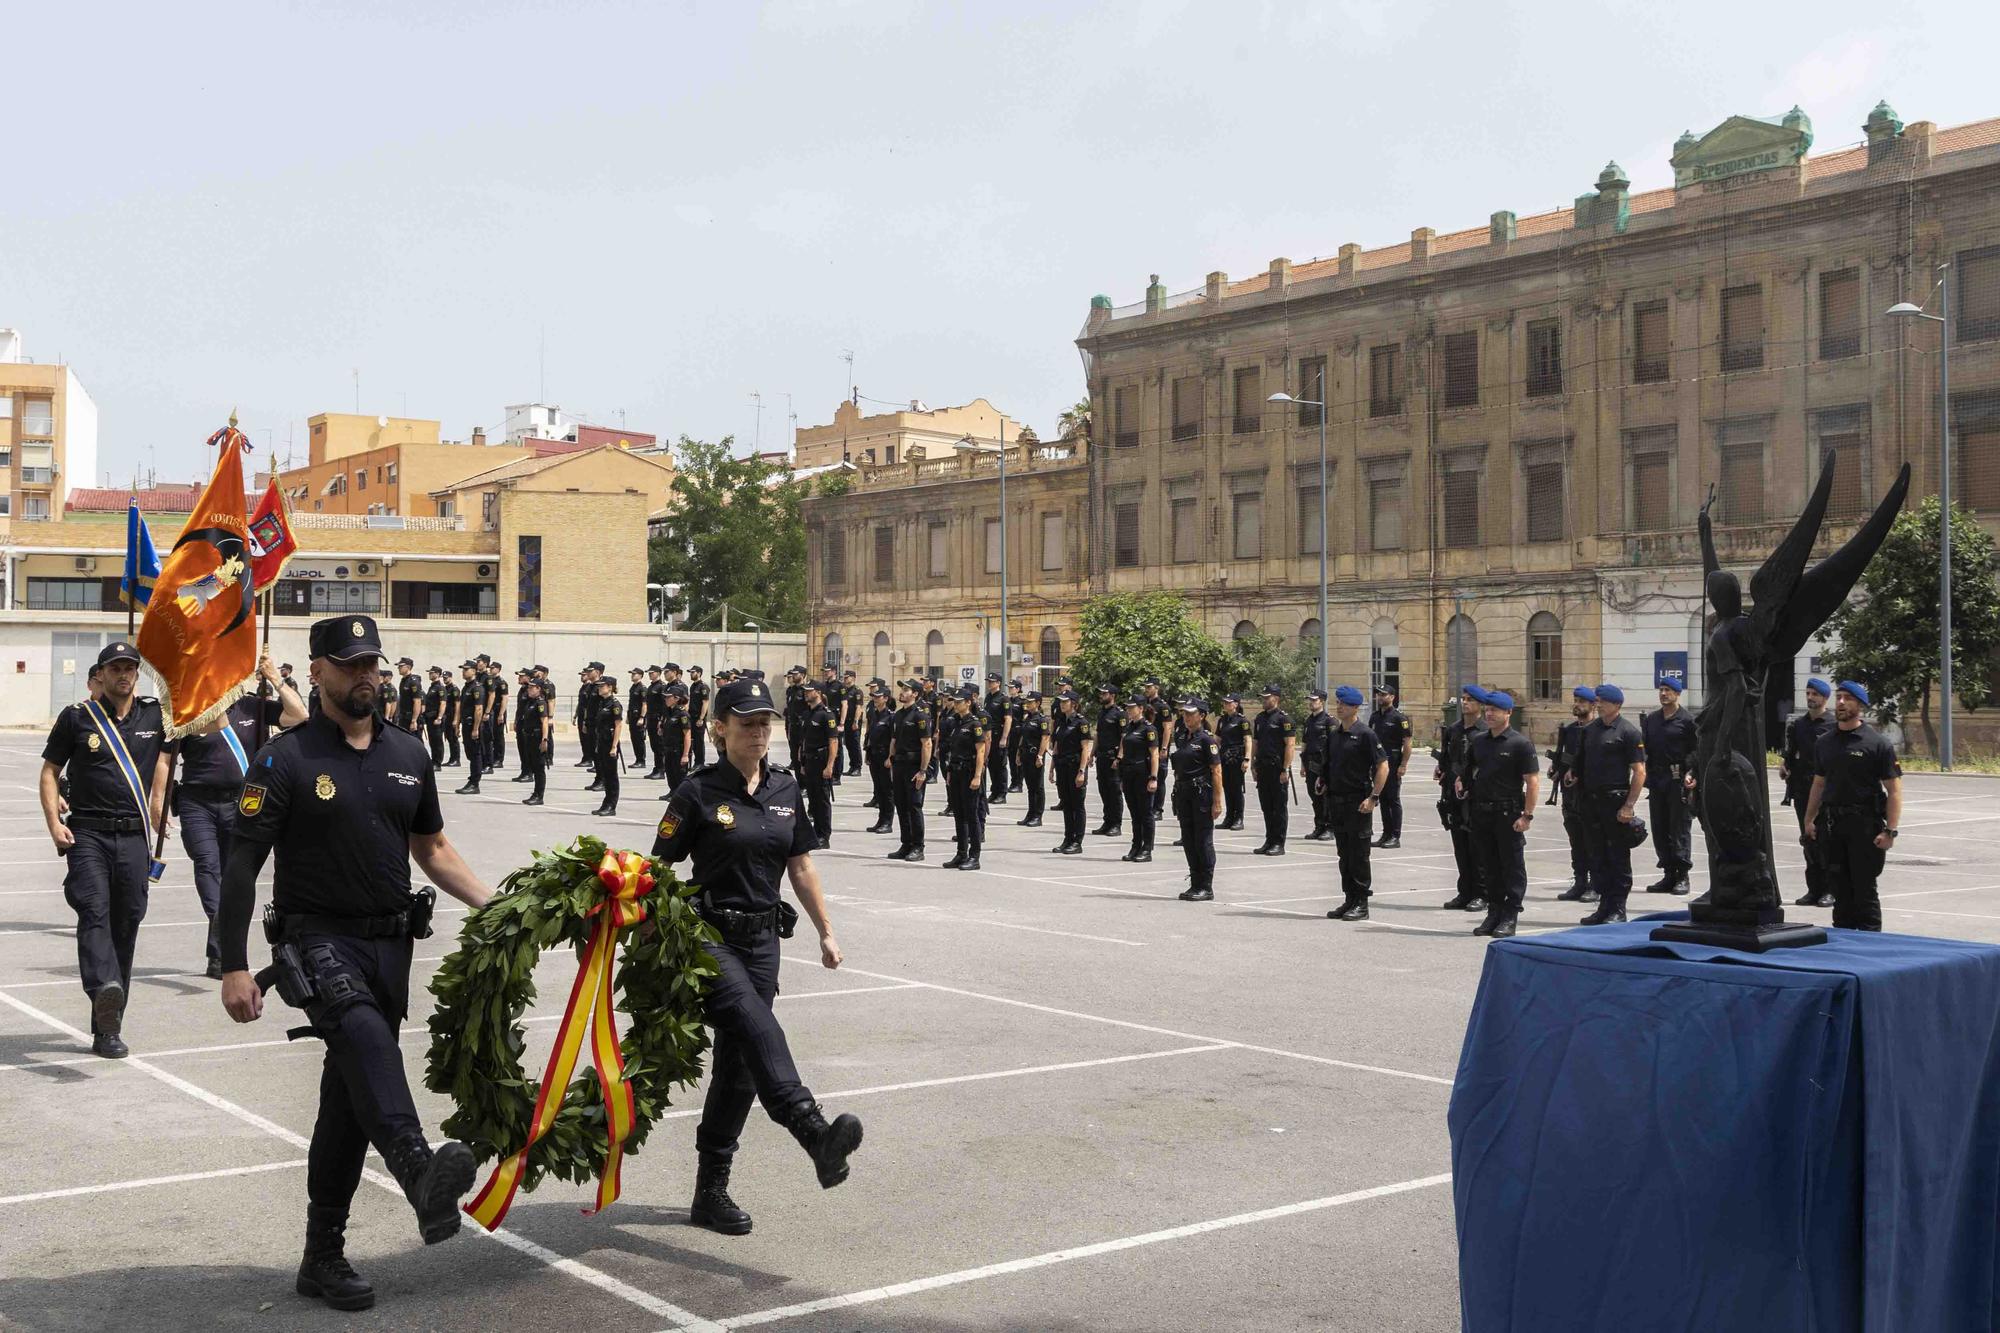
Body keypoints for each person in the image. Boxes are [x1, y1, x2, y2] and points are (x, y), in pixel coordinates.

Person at [215, 614, 492, 1312]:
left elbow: (431, 847)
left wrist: (493, 903)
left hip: (389, 947)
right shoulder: (285, 758)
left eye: (372, 662)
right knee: (365, 1037)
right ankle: (419, 1169)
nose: (366, 675)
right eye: (349, 664)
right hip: (317, 942)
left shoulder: (410, 752)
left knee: (347, 1100)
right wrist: (233, 964)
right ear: (316, 672)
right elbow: (242, 865)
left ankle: (322, 1256)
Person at [650, 673, 863, 1236]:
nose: (759, 732)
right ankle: (812, 1129)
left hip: (764, 940)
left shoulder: (786, 790)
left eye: (765, 723)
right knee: (756, 1022)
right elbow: (657, 869)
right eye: (747, 723)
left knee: (740, 1066)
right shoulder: (696, 791)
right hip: (707, 937)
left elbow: (801, 865)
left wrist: (826, 930)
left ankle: (709, 1194)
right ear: (719, 729)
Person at [38, 640, 169, 1058]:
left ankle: (107, 1028)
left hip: (133, 837)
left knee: (126, 925)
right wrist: (54, 823)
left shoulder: (155, 714)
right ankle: (102, 986)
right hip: (88, 835)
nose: (124, 674)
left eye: (130, 667)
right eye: (115, 668)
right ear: (101, 674)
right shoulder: (77, 718)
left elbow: (208, 722)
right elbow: (49, 772)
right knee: (94, 910)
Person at [174, 654, 308, 978]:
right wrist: (156, 804)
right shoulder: (193, 711)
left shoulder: (254, 706)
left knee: (232, 875)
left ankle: (218, 956)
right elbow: (165, 760)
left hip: (241, 803)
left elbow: (301, 716)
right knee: (207, 865)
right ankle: (220, 916)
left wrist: (277, 680)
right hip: (197, 802)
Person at [1802, 680, 1903, 932]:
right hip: (1833, 826)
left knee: (1864, 890)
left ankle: (1870, 948)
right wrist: (1809, 819)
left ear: (1860, 705)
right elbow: (1818, 784)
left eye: (1848, 698)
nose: (1841, 702)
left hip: (1864, 827)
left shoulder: (1877, 744)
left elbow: (1894, 791)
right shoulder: (1824, 742)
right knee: (1839, 890)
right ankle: (1843, 944)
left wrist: (1890, 831)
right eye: (1839, 697)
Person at [1457, 690, 1539, 938]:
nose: (1490, 714)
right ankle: (1493, 912)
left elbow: (1532, 782)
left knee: (1511, 867)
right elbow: (1469, 770)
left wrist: (1527, 815)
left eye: (1496, 710)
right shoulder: (1480, 741)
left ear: (1509, 713)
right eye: (1488, 710)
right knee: (1489, 866)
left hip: (1509, 814)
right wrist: (1462, 784)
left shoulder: (1520, 744)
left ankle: (1510, 915)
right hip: (1483, 813)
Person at [1574, 683, 1646, 926]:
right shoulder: (1590, 730)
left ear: (1616, 704)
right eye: (1597, 700)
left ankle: (1618, 908)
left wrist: (1629, 806)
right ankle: (1603, 906)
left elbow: (1639, 772)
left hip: (1615, 803)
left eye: (1603, 700)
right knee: (1597, 855)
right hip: (1591, 802)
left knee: (1617, 857)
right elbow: (1580, 764)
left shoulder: (1628, 732)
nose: (1598, 704)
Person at [1319, 686, 1390, 922]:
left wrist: (1374, 797)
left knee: (1359, 854)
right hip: (1337, 801)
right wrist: (1323, 780)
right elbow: (1329, 765)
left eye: (1344, 704)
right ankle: (1349, 898)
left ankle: (1361, 902)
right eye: (1338, 703)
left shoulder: (1366, 734)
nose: (1339, 707)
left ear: (1355, 708)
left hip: (1358, 802)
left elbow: (1382, 766)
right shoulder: (1335, 734)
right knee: (1344, 854)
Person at [1640, 675, 1698, 896]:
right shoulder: (1652, 720)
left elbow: (1696, 749)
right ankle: (1668, 873)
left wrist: (1692, 771)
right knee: (1660, 827)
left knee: (1679, 828)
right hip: (1657, 779)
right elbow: (1645, 749)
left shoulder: (1687, 721)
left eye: (1668, 690)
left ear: (1677, 693)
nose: (1663, 694)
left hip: (1678, 779)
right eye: (1661, 690)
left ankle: (1682, 875)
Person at [1781, 678, 1836, 908]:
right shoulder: (1799, 725)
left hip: (1825, 793)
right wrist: (1785, 766)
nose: (1811, 697)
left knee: (1825, 841)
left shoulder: (1832, 725)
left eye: (1815, 694)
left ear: (1824, 698)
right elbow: (1790, 753)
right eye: (1808, 693)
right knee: (1808, 840)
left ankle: (1830, 890)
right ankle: (1813, 889)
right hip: (1802, 790)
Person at [1438, 685, 1487, 913]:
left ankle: (1481, 892)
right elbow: (1447, 758)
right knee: (1460, 845)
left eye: (1470, 700)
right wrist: (1442, 771)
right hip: (1452, 794)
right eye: (1463, 699)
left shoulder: (1484, 731)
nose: (1464, 703)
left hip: (1474, 795)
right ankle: (1465, 890)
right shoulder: (1454, 729)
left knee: (1477, 846)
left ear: (1480, 705)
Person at [1171, 699, 1224, 901]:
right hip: (1184, 793)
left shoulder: (1206, 740)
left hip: (1201, 794)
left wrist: (1217, 801)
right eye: (1184, 713)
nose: (1186, 717)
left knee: (1203, 841)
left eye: (1190, 713)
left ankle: (1206, 886)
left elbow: (1217, 771)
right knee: (1189, 839)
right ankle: (1195, 883)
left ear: (1201, 716)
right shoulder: (1183, 737)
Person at [1552, 686, 1598, 903]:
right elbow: (1564, 757)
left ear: (1592, 705)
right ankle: (1580, 881)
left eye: (1582, 701)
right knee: (1576, 840)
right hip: (1570, 793)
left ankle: (1595, 884)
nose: (1577, 704)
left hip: (1590, 794)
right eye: (1576, 700)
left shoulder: (1598, 730)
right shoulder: (1570, 731)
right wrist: (1556, 771)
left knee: (1593, 841)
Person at [943, 685, 989, 870]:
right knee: (959, 815)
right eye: (954, 701)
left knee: (972, 816)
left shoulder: (975, 724)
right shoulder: (955, 722)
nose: (955, 704)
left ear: (968, 703)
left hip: (970, 772)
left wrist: (978, 776)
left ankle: (974, 856)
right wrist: (949, 772)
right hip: (956, 772)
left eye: (959, 701)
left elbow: (981, 751)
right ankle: (961, 853)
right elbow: (953, 750)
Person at [887, 679, 933, 861]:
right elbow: (894, 741)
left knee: (914, 806)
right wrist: (891, 761)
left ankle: (918, 847)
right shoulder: (898, 715)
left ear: (915, 693)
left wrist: (923, 771)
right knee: (901, 806)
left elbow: (927, 744)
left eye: (906, 690)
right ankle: (906, 843)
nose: (903, 692)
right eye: (902, 689)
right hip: (899, 765)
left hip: (914, 766)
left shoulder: (920, 716)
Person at [1250, 685, 1295, 855]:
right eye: (1263, 697)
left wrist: (1285, 769)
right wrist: (1253, 765)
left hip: (1277, 769)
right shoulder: (1260, 718)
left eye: (1267, 697)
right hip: (1263, 767)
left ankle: (1279, 843)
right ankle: (1269, 840)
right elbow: (1256, 743)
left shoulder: (1285, 719)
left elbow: (1290, 745)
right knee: (1266, 806)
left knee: (1279, 807)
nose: (1264, 700)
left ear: (1276, 698)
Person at [1368, 684, 1413, 849]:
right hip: (1377, 763)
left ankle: (1395, 835)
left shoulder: (1399, 718)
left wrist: (1403, 764)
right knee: (1382, 798)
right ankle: (1386, 834)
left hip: (1393, 762)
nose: (1380, 697)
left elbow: (1407, 743)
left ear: (1392, 697)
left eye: (1384, 695)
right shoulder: (1374, 717)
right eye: (1378, 694)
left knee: (1393, 799)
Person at [1049, 689, 1093, 855]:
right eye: (1060, 702)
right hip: (1062, 765)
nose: (1061, 704)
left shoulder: (1081, 722)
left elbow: (1085, 749)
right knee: (1066, 804)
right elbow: (1057, 746)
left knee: (1077, 805)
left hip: (1075, 767)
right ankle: (1067, 839)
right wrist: (1052, 767)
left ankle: (1077, 841)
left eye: (1065, 702)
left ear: (1073, 704)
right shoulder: (1061, 721)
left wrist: (1082, 771)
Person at [1116, 697, 1160, 864]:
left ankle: (1147, 848)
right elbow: (1124, 751)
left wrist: (1153, 777)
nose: (1128, 710)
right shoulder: (1129, 727)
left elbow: (1154, 754)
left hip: (1143, 774)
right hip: (1129, 774)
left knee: (1146, 813)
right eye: (1127, 707)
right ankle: (1136, 846)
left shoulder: (1148, 728)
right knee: (1135, 813)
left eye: (1132, 707)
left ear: (1141, 708)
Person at [796, 680, 837, 848]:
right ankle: (815, 831)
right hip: (810, 760)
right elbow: (804, 740)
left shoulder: (827, 715)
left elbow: (833, 742)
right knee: (813, 799)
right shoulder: (808, 714)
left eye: (809, 691)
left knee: (822, 800)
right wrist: (802, 762)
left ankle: (824, 835)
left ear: (818, 693)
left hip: (821, 762)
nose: (806, 693)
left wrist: (830, 766)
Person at [1300, 689, 1333, 841]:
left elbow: (1334, 745)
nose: (1311, 703)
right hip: (1310, 762)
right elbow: (1305, 743)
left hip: (1323, 763)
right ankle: (1319, 826)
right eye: (1310, 700)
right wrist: (1302, 765)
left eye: (1314, 700)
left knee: (1325, 796)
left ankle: (1329, 827)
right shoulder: (1309, 721)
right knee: (1314, 796)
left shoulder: (1329, 721)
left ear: (1322, 701)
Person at [1092, 684, 1124, 838]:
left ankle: (1116, 824)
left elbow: (1124, 737)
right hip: (1102, 756)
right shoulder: (1102, 713)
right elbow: (1098, 734)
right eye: (1101, 693)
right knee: (1104, 790)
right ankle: (1107, 822)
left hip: (1113, 757)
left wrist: (1119, 757)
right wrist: (1092, 753)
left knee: (1114, 792)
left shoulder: (1119, 714)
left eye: (1104, 694)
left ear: (1112, 695)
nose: (1101, 696)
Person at [590, 676, 625, 817]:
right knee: (605, 774)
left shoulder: (614, 705)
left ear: (610, 687)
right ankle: (606, 803)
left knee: (611, 776)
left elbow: (618, 725)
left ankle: (611, 805)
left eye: (602, 686)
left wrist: (614, 746)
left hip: (610, 743)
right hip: (602, 742)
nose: (599, 688)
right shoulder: (603, 703)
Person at [864, 685, 896, 834]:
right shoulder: (873, 714)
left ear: (886, 699)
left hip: (885, 756)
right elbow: (869, 734)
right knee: (879, 789)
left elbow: (893, 739)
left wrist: (890, 757)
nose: (875, 699)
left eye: (878, 697)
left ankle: (887, 822)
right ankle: (880, 820)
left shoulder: (891, 716)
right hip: (874, 754)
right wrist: (867, 752)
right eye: (874, 696)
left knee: (887, 790)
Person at [515, 673, 550, 806]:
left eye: (532, 687)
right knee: (534, 766)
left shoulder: (540, 703)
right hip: (528, 736)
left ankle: (539, 795)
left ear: (539, 689)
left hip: (537, 737)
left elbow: (544, 722)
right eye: (529, 687)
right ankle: (535, 793)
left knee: (539, 768)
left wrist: (545, 739)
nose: (529, 689)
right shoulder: (530, 702)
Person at [1215, 694, 1249, 831]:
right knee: (1227, 788)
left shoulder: (1242, 720)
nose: (1226, 705)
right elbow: (1217, 739)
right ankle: (1229, 817)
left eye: (1229, 702)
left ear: (1236, 704)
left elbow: (1248, 740)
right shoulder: (1222, 720)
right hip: (1224, 757)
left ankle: (1239, 818)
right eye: (1225, 702)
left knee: (1236, 789)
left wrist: (1247, 759)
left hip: (1236, 758)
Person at [1015, 691, 1048, 827]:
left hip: (1036, 756)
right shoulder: (1027, 718)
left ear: (1038, 703)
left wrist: (1040, 755)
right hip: (1026, 755)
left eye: (1030, 702)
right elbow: (1023, 736)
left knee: (1038, 787)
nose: (1027, 704)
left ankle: (1037, 816)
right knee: (1030, 787)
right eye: (1027, 702)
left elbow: (1045, 738)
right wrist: (1018, 752)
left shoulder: (1042, 719)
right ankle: (1030, 813)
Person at [452, 663, 485, 795]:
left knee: (475, 754)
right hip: (466, 723)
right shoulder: (466, 687)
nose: (463, 672)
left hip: (473, 725)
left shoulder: (477, 688)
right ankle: (472, 780)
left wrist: (476, 728)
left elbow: (478, 709)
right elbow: (460, 707)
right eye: (463, 670)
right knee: (470, 753)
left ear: (474, 671)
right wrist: (458, 724)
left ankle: (474, 783)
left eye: (466, 670)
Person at [982, 673, 1012, 805]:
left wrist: (1004, 738)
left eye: (992, 681)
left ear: (998, 683)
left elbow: (1008, 719)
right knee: (991, 765)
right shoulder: (988, 697)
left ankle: (1002, 793)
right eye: (989, 681)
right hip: (989, 736)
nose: (990, 683)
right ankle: (994, 791)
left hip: (999, 734)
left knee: (1000, 765)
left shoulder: (1004, 699)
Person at [657, 684, 691, 795]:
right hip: (668, 748)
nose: (666, 699)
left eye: (668, 697)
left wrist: (685, 754)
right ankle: (672, 792)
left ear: (676, 698)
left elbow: (687, 735)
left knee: (679, 775)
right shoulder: (668, 712)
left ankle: (679, 795)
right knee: (670, 772)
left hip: (679, 749)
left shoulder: (682, 714)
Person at [643, 667, 671, 779]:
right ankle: (657, 767)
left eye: (652, 673)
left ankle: (661, 769)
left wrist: (662, 720)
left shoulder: (661, 687)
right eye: (649, 673)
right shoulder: (651, 687)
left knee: (659, 745)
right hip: (650, 718)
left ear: (658, 673)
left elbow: (664, 705)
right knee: (654, 745)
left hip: (657, 718)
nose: (650, 675)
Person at [422, 667, 450, 768]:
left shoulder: (440, 687)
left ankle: (437, 762)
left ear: (438, 674)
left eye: (432, 673)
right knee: (432, 740)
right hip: (430, 718)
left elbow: (443, 703)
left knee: (437, 741)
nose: (430, 674)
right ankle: (434, 760)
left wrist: (439, 717)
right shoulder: (432, 687)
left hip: (436, 718)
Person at [841, 669, 865, 777]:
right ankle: (852, 766)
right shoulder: (844, 690)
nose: (845, 679)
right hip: (846, 722)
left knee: (855, 745)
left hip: (853, 722)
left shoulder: (857, 691)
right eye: (844, 677)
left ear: (853, 678)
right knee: (849, 744)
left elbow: (858, 707)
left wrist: (856, 721)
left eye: (847, 677)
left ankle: (857, 767)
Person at [627, 667, 651, 772]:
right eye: (632, 674)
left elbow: (644, 704)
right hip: (632, 716)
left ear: (640, 675)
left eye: (634, 674)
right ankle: (637, 759)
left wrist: (642, 717)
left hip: (639, 717)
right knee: (634, 738)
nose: (632, 676)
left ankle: (641, 760)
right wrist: (628, 716)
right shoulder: (633, 687)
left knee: (639, 739)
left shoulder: (642, 688)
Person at [687, 665, 710, 768]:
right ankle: (695, 762)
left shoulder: (703, 686)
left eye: (693, 672)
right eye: (691, 672)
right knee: (693, 742)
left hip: (698, 718)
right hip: (691, 717)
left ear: (699, 673)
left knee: (699, 741)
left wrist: (701, 718)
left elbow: (705, 702)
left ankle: (700, 762)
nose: (691, 674)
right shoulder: (693, 686)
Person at [1006, 680, 1027, 794]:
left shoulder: (1022, 702)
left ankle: (1019, 784)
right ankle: (1014, 781)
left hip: (1018, 732)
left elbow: (1025, 718)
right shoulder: (1008, 701)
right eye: (1009, 687)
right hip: (1010, 732)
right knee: (1011, 758)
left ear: (1018, 689)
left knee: (1018, 759)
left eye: (1012, 687)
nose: (1010, 689)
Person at [393, 658, 421, 731]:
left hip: (410, 717)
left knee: (414, 740)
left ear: (408, 667)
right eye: (398, 666)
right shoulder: (403, 681)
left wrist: (414, 720)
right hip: (403, 717)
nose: (398, 668)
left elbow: (417, 702)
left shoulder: (413, 682)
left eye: (401, 666)